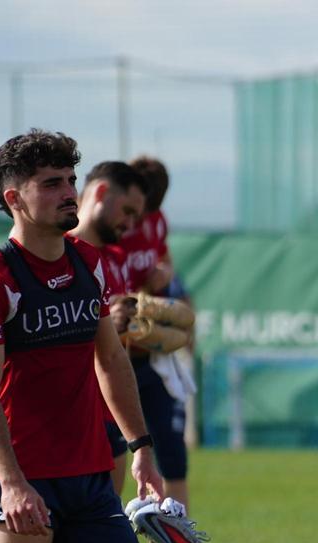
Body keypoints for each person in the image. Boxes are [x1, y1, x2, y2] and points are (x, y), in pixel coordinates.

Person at [0, 129, 164, 543]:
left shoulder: (91, 263)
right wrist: (9, 481)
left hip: (91, 477)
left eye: (71, 179)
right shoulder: (3, 278)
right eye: (52, 183)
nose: (69, 193)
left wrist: (141, 446)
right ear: (14, 199)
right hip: (21, 488)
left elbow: (111, 360)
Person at [26, 161, 147, 543]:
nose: (132, 222)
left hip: (102, 426)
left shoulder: (100, 261)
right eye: (128, 209)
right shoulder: (27, 265)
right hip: (38, 448)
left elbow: (107, 353)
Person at [119, 156, 190, 509]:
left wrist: (163, 273)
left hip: (152, 358)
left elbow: (164, 261)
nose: (139, 219)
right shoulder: (108, 228)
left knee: (174, 455)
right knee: (110, 469)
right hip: (114, 361)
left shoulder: (155, 222)